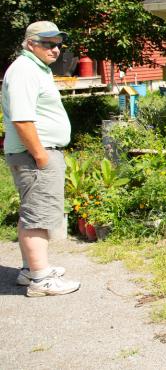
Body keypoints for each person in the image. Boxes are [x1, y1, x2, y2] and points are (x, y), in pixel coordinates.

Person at [3, 21, 80, 296]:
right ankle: (40, 280)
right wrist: (40, 155)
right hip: (34, 154)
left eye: (58, 44)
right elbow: (22, 119)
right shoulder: (25, 71)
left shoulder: (35, 69)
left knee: (32, 212)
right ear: (30, 43)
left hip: (35, 153)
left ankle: (30, 269)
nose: (55, 49)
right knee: (38, 216)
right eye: (48, 43)